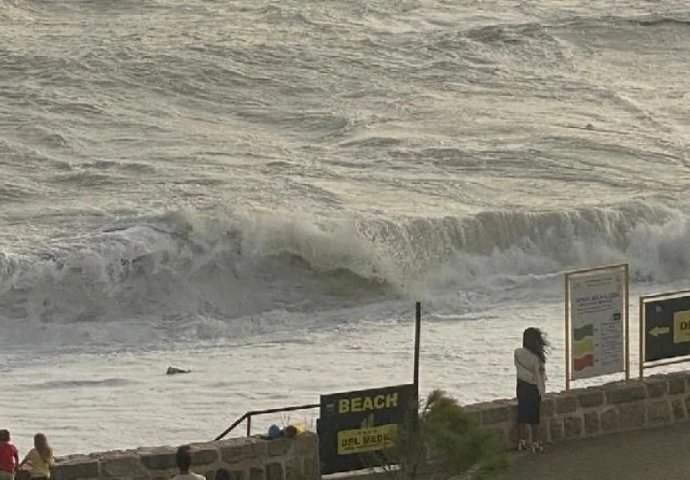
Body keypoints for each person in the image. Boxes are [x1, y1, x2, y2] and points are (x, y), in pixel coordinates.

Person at [514, 327, 549, 453]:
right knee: (534, 417)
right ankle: (535, 443)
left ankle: (522, 441)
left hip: (521, 385)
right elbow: (540, 376)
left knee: (522, 415)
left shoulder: (517, 352)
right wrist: (542, 391)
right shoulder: (537, 357)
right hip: (533, 387)